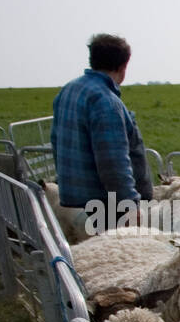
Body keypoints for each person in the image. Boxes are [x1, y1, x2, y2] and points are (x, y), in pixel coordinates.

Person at [51, 33, 153, 227]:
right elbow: (113, 161)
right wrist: (129, 204)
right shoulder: (106, 101)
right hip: (106, 202)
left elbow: (56, 140)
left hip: (79, 194)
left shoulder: (69, 89)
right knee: (119, 253)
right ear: (123, 67)